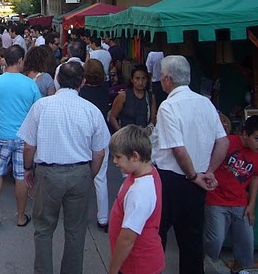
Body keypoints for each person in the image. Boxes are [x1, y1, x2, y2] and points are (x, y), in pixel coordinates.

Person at [18, 62, 109, 274]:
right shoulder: (92, 111)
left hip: (48, 173)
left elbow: (29, 145)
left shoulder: (41, 106)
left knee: (43, 229)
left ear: (57, 80)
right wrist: (88, 174)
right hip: (80, 173)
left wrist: (28, 168)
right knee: (76, 231)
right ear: (83, 82)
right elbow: (99, 152)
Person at [153, 55, 229, 274]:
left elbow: (178, 148)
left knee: (158, 234)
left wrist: (194, 175)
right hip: (198, 178)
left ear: (168, 79)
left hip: (173, 179)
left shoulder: (169, 107)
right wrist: (208, 172)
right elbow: (222, 141)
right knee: (192, 240)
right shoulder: (205, 102)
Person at [205, 115, 258, 274]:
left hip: (240, 202)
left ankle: (238, 269)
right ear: (245, 134)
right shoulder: (226, 142)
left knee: (247, 241)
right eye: (257, 139)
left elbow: (256, 177)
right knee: (215, 239)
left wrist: (252, 204)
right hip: (216, 199)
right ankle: (204, 262)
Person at [0, 45, 41, 227]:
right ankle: (20, 217)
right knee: (21, 175)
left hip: (1, 134)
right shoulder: (30, 84)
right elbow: (38, 108)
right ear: (20, 61)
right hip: (23, 137)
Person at [108, 125, 165, 274]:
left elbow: (127, 239)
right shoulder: (143, 171)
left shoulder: (140, 192)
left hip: (137, 266)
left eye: (118, 157)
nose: (114, 161)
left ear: (135, 156)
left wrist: (113, 270)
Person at [79, 58, 111, 230]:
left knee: (82, 177)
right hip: (101, 135)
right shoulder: (106, 90)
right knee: (101, 178)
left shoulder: (81, 92)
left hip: (84, 137)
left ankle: (80, 214)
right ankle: (103, 218)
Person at [109, 65, 157, 132]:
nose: (140, 82)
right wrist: (121, 132)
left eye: (143, 78)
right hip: (126, 136)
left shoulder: (150, 97)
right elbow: (112, 117)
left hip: (144, 136)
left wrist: (149, 129)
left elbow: (153, 119)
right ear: (132, 79)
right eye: (137, 78)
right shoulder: (123, 96)